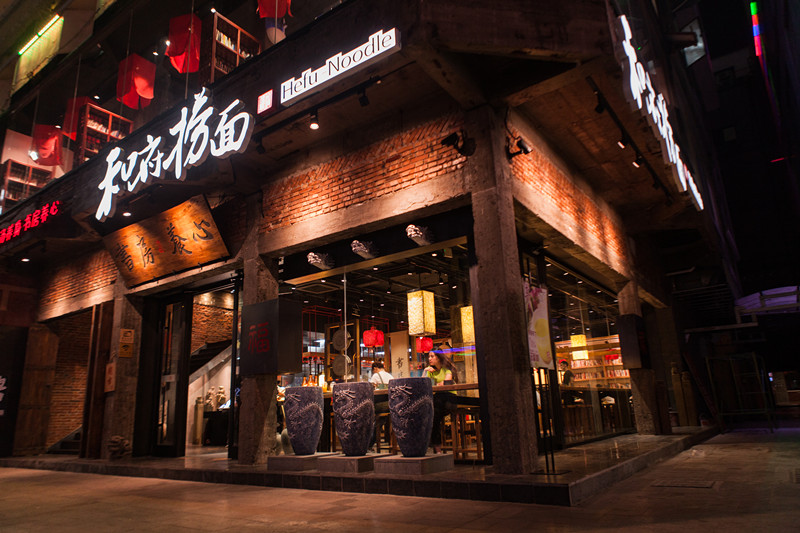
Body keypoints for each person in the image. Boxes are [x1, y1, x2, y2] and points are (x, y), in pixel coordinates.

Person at [424, 351, 459, 453]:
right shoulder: (430, 371)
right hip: (438, 401)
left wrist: (439, 384)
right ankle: (436, 447)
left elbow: (446, 383)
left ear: (438, 358)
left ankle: (436, 447)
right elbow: (425, 384)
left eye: (432, 356)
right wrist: (425, 371)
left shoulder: (447, 369)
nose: (429, 359)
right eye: (429, 357)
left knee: (432, 413)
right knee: (431, 414)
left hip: (449, 399)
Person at [370, 361, 394, 447]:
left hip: (380, 405)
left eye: (373, 370)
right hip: (390, 404)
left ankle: (369, 441)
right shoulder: (390, 376)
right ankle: (385, 439)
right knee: (380, 420)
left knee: (368, 413)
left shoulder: (376, 375)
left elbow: (370, 387)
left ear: (375, 368)